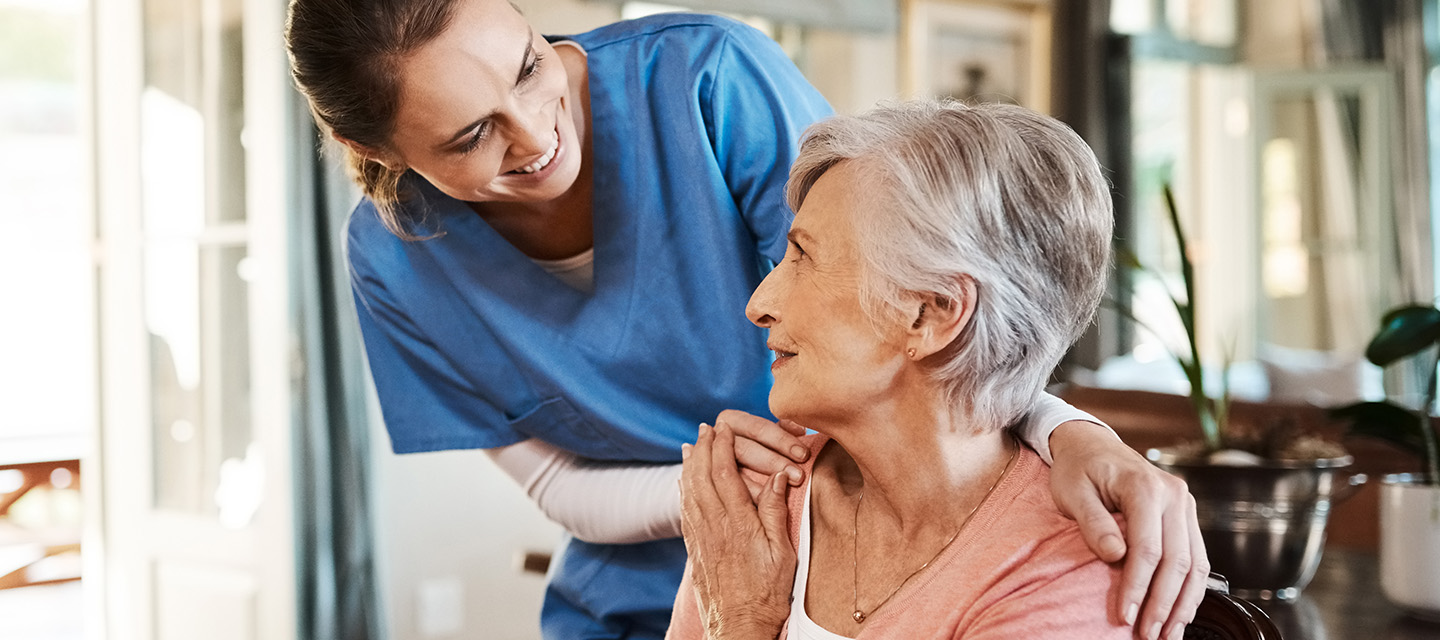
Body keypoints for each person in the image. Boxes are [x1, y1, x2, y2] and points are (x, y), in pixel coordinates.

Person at [283, 1, 1208, 638]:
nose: (535, 135)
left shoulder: (706, 82)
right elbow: (556, 487)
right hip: (660, 583)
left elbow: (921, 292)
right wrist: (728, 525)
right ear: (375, 152)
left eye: (529, 67)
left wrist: (1069, 429)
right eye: (471, 136)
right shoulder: (394, 260)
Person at [672, 99, 1142, 640]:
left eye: (802, 258)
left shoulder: (1064, 569)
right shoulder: (753, 507)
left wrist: (741, 621)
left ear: (931, 314)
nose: (759, 303)